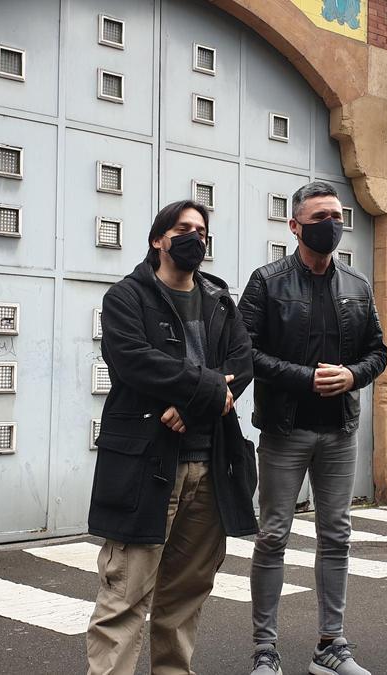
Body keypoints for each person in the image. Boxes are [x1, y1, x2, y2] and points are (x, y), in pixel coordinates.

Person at [85, 200, 258, 675]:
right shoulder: (126, 297)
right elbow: (134, 360)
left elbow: (241, 364)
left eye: (201, 231)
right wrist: (206, 390)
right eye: (183, 229)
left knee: (184, 599)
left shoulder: (221, 299)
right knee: (124, 595)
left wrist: (192, 403)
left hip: (211, 466)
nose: (194, 237)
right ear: (159, 239)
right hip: (147, 466)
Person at [239, 181, 387, 675]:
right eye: (320, 216)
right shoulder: (267, 281)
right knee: (274, 535)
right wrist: (304, 379)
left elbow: (377, 352)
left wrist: (351, 376)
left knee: (337, 535)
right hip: (286, 429)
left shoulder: (357, 285)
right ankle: (265, 648)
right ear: (295, 225)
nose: (331, 224)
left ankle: (331, 644)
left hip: (339, 431)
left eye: (336, 215)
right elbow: (245, 352)